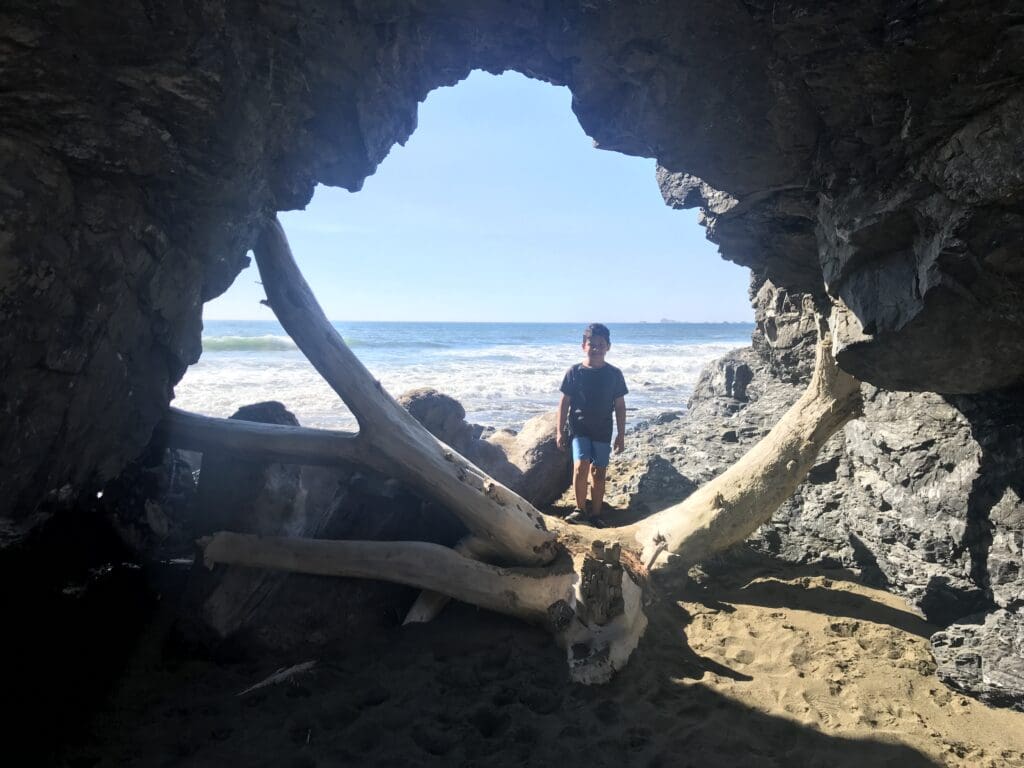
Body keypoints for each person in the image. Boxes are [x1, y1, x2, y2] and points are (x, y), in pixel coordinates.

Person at [556, 323, 628, 526]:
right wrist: (560, 431)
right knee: (580, 467)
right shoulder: (574, 372)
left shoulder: (614, 374)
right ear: (583, 346)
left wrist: (621, 435)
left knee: (599, 472)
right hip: (579, 428)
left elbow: (620, 406)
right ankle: (580, 510)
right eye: (591, 344)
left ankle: (596, 514)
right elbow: (564, 402)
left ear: (608, 347)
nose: (596, 348)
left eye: (600, 344)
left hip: (603, 430)